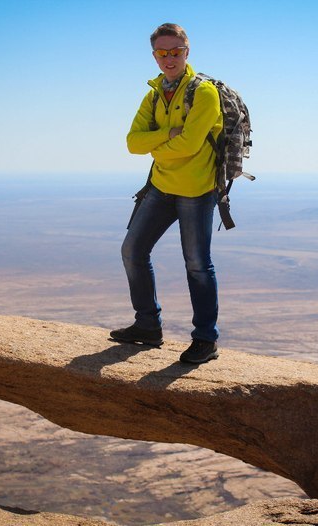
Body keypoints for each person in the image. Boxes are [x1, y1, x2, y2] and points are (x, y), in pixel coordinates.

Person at [110, 23, 223, 364]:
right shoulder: (154, 93)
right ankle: (147, 326)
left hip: (195, 190)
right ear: (155, 56)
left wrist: (156, 144)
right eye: (162, 53)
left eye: (175, 51)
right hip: (161, 186)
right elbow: (132, 143)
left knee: (197, 265)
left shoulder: (204, 93)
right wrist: (168, 134)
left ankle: (206, 340)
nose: (169, 58)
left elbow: (188, 145)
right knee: (132, 250)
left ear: (187, 52)